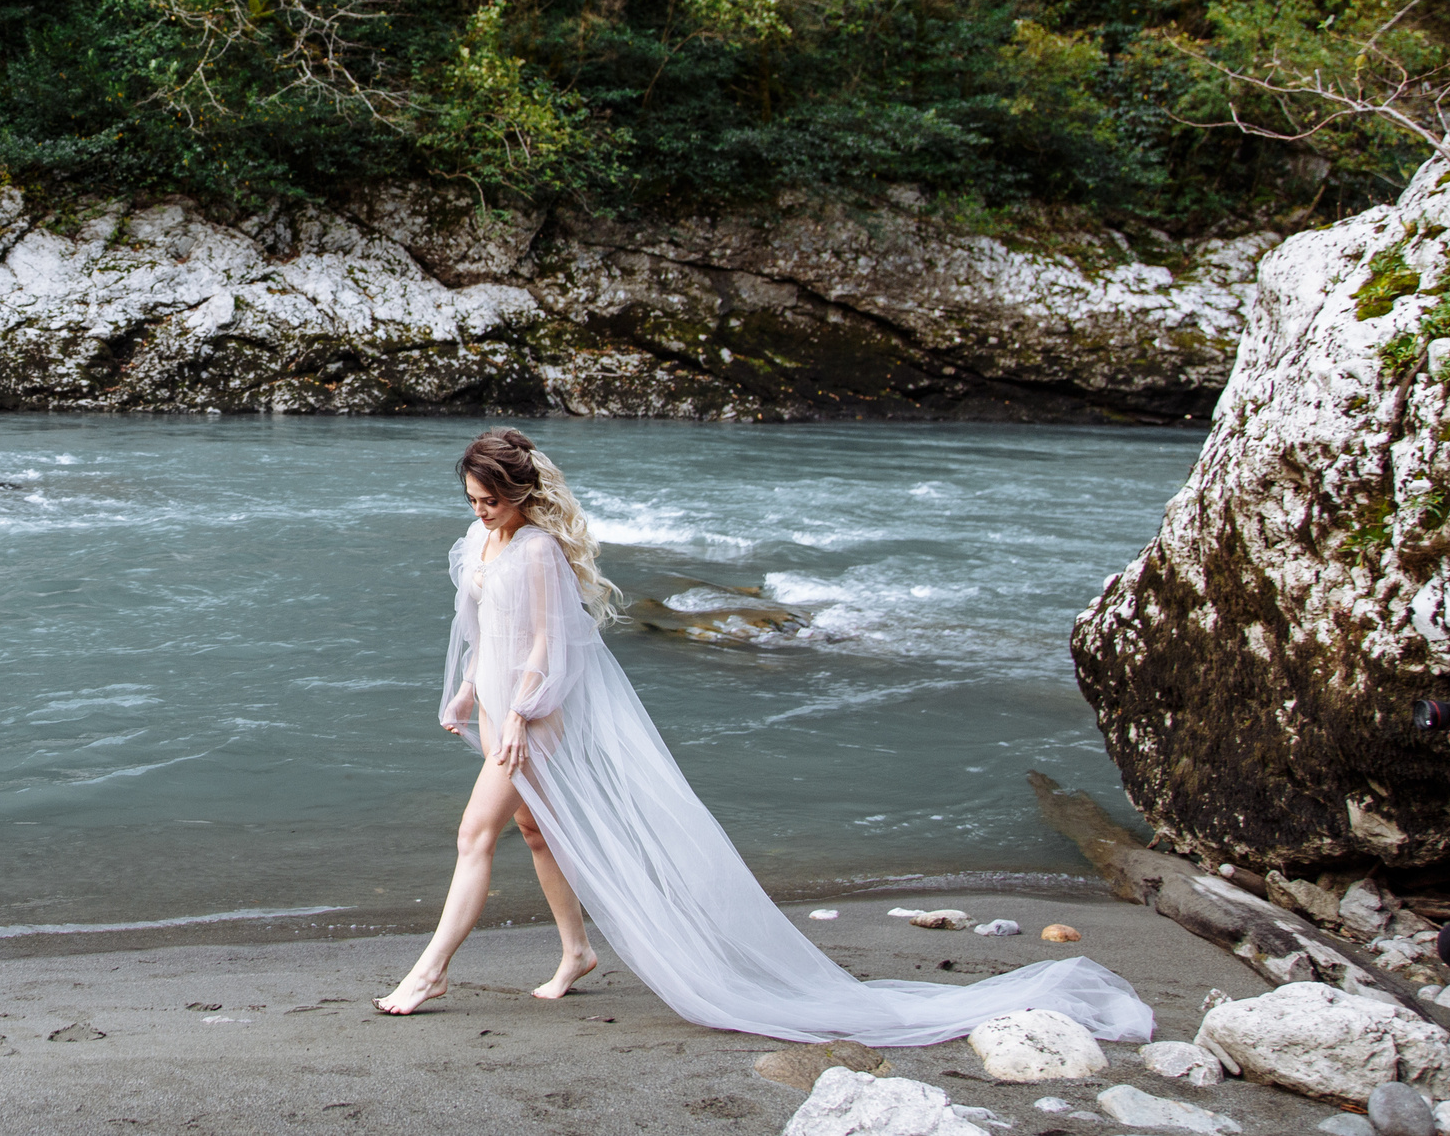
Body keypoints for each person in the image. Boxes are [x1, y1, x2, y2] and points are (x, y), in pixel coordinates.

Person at [372, 428, 1156, 1046]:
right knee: (537, 831)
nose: (479, 510)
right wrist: (471, 688)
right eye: (472, 498)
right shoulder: (479, 542)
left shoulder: (540, 548)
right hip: (501, 700)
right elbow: (478, 625)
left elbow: (548, 644)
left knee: (474, 832)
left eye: (490, 500)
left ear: (521, 493)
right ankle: (577, 950)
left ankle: (429, 971)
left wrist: (516, 714)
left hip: (537, 710)